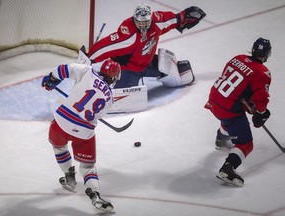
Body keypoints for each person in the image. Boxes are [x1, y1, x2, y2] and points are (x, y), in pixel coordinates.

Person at [41, 58, 121, 212]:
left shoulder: (88, 71)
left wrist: (52, 79)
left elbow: (63, 69)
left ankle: (69, 177)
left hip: (61, 122)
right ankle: (95, 195)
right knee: (88, 167)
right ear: (114, 78)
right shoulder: (110, 98)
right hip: (84, 132)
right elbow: (96, 114)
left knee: (59, 148)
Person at [86, 3, 206, 89]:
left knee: (178, 77)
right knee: (114, 94)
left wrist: (183, 17)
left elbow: (171, 20)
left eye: (146, 22)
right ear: (135, 20)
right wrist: (89, 58)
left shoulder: (156, 23)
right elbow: (106, 46)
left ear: (150, 19)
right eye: (140, 23)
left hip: (147, 64)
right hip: (128, 70)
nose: (143, 26)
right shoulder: (128, 35)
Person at [204, 37, 272, 187]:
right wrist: (261, 113)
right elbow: (261, 98)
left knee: (228, 120)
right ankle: (228, 168)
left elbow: (231, 81)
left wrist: (248, 103)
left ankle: (221, 139)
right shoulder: (262, 72)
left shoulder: (238, 58)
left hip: (214, 99)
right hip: (229, 109)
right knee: (245, 143)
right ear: (267, 54)